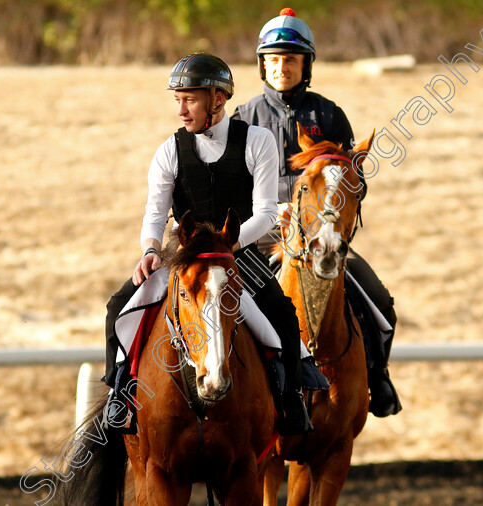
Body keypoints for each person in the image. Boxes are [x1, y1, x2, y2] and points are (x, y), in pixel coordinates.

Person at [102, 52, 325, 436]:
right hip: (182, 259)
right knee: (117, 308)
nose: (181, 110)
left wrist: (229, 247)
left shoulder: (258, 140)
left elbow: (267, 214)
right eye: (178, 100)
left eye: (189, 99)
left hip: (238, 256)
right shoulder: (168, 151)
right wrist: (152, 250)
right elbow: (155, 215)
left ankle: (289, 402)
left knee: (284, 317)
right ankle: (119, 398)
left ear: (218, 98)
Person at [232, 8, 402, 417]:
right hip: (262, 238)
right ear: (262, 65)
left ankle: (377, 377)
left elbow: (351, 184)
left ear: (305, 65)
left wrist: (326, 218)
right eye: (272, 60)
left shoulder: (330, 116)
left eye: (289, 59)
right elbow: (232, 189)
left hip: (320, 236)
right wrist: (270, 215)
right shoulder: (243, 118)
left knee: (379, 298)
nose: (281, 68)